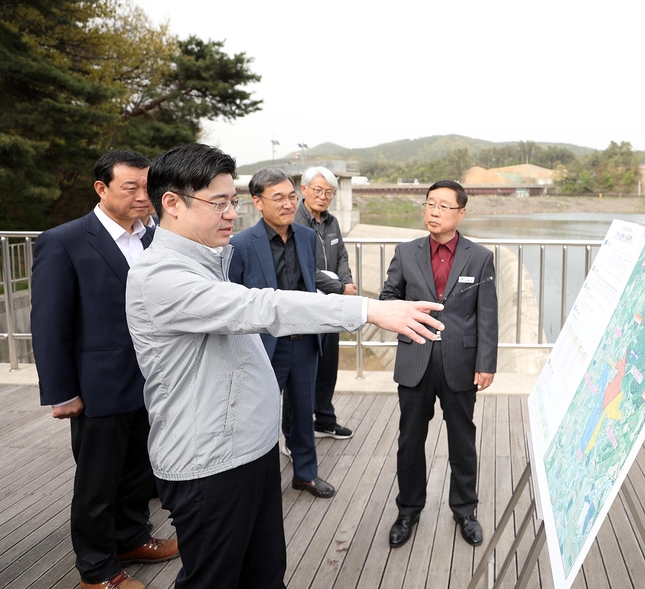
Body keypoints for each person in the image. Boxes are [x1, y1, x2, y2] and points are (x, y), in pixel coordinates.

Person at [124, 143, 443, 589]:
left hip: (250, 450)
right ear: (172, 204)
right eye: (219, 203)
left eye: (230, 202)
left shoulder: (209, 259)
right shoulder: (161, 277)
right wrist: (367, 310)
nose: (231, 215)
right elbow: (262, 306)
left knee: (266, 572)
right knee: (213, 579)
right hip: (209, 462)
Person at [30, 149, 179, 589]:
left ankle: (132, 539)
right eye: (129, 187)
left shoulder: (154, 238)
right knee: (98, 484)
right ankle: (96, 571)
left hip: (151, 381)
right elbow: (49, 322)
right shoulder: (65, 241)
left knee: (138, 473)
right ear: (102, 189)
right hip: (98, 386)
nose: (141, 195)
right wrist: (61, 392)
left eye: (145, 186)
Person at [380, 180, 498, 548]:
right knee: (410, 441)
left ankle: (465, 510)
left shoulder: (479, 257)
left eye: (444, 206)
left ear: (461, 213)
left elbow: (487, 314)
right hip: (415, 357)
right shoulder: (406, 251)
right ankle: (408, 510)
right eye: (430, 204)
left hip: (460, 362)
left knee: (462, 440)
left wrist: (487, 363)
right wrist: (409, 312)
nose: (434, 211)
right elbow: (388, 298)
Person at [229, 168, 334, 498]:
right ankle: (258, 481)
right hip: (262, 346)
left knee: (303, 412)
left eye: (292, 196)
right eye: (279, 198)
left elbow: (310, 282)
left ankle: (305, 473)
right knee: (258, 416)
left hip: (304, 342)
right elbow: (232, 299)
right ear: (257, 202)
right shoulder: (241, 244)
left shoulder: (306, 237)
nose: (288, 204)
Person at [293, 166, 356, 441]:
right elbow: (303, 266)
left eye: (329, 192)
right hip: (306, 304)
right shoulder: (294, 221)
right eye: (318, 190)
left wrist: (347, 283)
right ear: (304, 189)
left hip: (331, 304)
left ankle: (325, 419)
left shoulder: (331, 221)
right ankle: (299, 430)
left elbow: (341, 254)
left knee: (329, 363)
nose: (323, 196)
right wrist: (341, 288)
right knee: (305, 368)